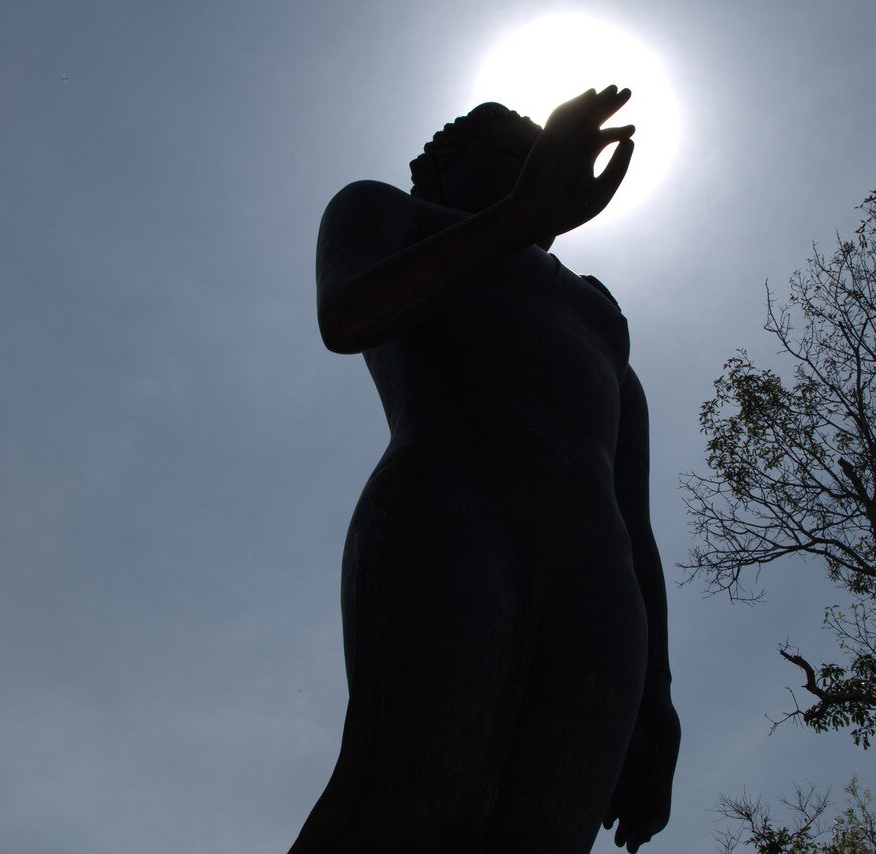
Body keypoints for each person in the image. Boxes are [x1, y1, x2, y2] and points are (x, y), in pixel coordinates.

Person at [289, 86, 679, 854]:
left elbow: (634, 519)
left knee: (546, 826)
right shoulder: (387, 213)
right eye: (511, 161)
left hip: (596, 563)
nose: (531, 178)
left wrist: (655, 702)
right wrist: (517, 220)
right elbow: (348, 315)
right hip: (450, 506)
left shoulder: (598, 316)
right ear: (440, 173)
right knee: (411, 787)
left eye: (541, 168)